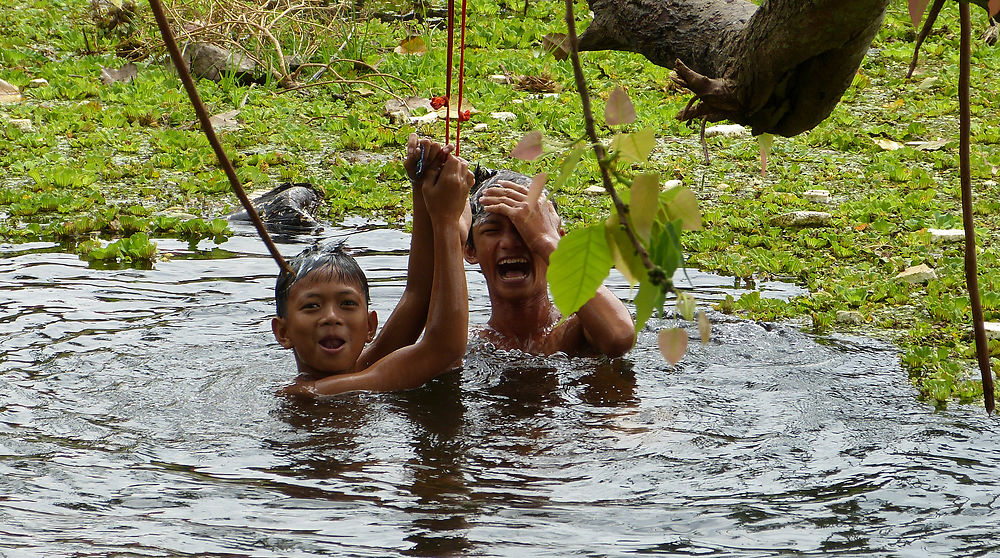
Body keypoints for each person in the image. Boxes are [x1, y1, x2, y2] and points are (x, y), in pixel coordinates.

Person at [273, 139, 473, 396]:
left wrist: (421, 185)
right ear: (283, 332)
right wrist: (446, 223)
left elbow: (418, 295)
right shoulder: (309, 392)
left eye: (347, 304)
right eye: (312, 306)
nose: (332, 317)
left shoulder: (361, 367)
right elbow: (444, 350)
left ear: (370, 326)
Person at [463, 171, 636, 357]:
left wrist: (544, 240)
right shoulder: (467, 344)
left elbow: (620, 336)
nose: (510, 243)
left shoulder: (577, 328)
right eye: (493, 230)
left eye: (525, 228)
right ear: (470, 250)